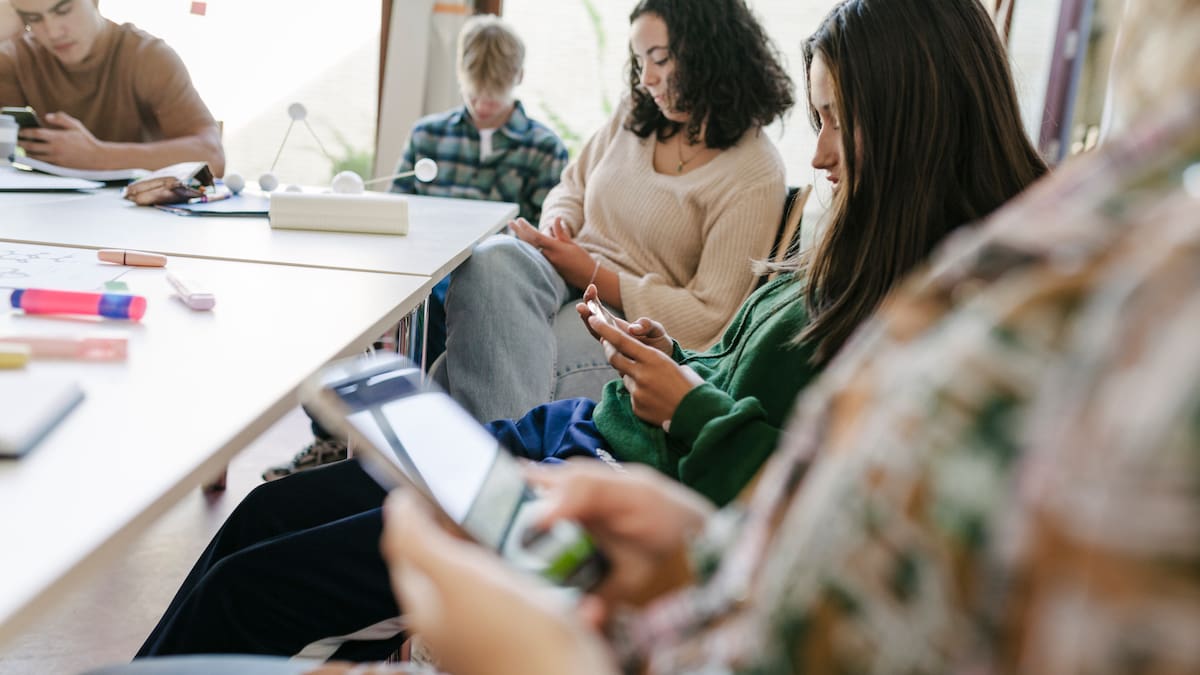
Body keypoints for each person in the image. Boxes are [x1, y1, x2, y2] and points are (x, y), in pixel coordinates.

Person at [132, 0, 1046, 663]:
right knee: (263, 514)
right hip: (574, 438)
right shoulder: (852, 242)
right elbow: (725, 352)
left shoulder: (934, 311)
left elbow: (810, 510)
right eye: (820, 119)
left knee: (248, 586)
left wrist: (687, 404)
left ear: (915, 125)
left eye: (840, 121)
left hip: (604, 497)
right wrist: (670, 361)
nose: (822, 153)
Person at [436, 0, 797, 426]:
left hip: (634, 320)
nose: (646, 79)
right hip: (564, 271)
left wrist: (592, 274)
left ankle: (506, 469)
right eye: (640, 60)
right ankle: (510, 464)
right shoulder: (635, 114)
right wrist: (560, 225)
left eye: (660, 59)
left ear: (712, 53)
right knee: (492, 258)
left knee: (451, 371)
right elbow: (572, 185)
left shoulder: (753, 169)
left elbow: (710, 318)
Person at [262, 14, 569, 482]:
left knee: (448, 337)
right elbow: (400, 214)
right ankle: (332, 440)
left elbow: (539, 245)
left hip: (484, 292)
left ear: (519, 81)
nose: (483, 107)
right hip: (423, 281)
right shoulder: (429, 135)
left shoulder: (544, 149)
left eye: (494, 97)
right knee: (341, 322)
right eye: (473, 95)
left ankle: (417, 459)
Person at [0, 0, 224, 174]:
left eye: (64, 10)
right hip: (42, 217)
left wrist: (98, 156)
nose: (53, 32)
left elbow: (212, 158)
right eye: (34, 18)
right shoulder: (15, 58)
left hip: (140, 217)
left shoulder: (146, 56)